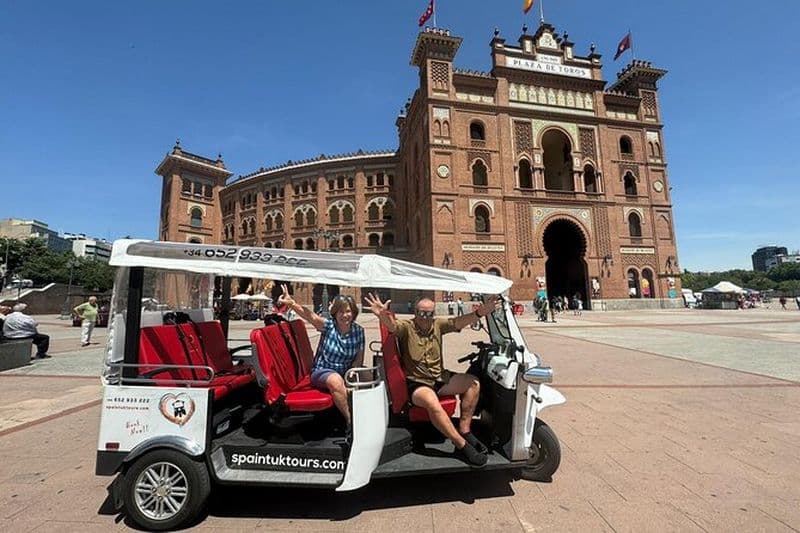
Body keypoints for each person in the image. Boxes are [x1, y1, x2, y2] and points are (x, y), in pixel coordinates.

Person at [364, 292, 498, 467]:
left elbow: (458, 322)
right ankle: (461, 445)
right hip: (417, 383)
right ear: (415, 312)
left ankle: (464, 430)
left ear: (433, 314)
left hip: (439, 377)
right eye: (421, 313)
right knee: (433, 403)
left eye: (429, 313)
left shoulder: (438, 325)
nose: (425, 317)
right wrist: (383, 315)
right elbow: (393, 327)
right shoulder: (407, 327)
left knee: (473, 383)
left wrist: (481, 312)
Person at [277, 285, 364, 425]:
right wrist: (292, 304)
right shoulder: (329, 326)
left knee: (368, 376)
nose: (344, 315)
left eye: (348, 311)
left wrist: (354, 371)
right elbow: (311, 316)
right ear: (335, 313)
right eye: (340, 311)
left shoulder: (359, 331)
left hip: (347, 371)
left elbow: (359, 358)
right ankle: (351, 421)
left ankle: (370, 414)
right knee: (335, 380)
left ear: (353, 313)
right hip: (323, 371)